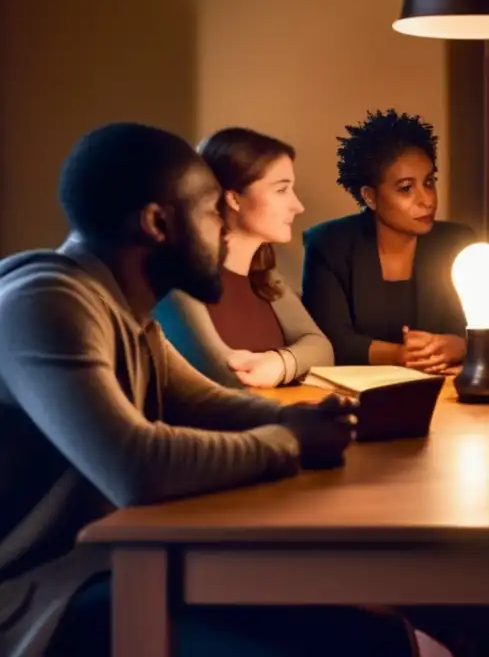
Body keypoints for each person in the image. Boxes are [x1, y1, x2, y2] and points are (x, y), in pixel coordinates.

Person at [0, 123, 435, 657]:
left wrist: (317, 421)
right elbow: (136, 466)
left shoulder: (125, 313)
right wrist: (292, 442)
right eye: (211, 213)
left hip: (112, 562)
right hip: (40, 596)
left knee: (375, 635)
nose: (224, 232)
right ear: (158, 223)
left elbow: (206, 402)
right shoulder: (45, 301)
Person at [156, 127, 333, 388]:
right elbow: (226, 373)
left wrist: (280, 363)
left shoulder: (265, 277)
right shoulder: (180, 281)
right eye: (282, 190)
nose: (298, 205)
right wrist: (293, 364)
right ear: (234, 198)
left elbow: (322, 348)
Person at [302, 109, 475, 372]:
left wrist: (456, 345)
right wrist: (398, 354)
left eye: (429, 182)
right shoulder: (328, 244)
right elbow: (329, 340)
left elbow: (483, 328)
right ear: (370, 197)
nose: (426, 199)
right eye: (406, 188)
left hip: (443, 391)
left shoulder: (457, 243)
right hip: (353, 396)